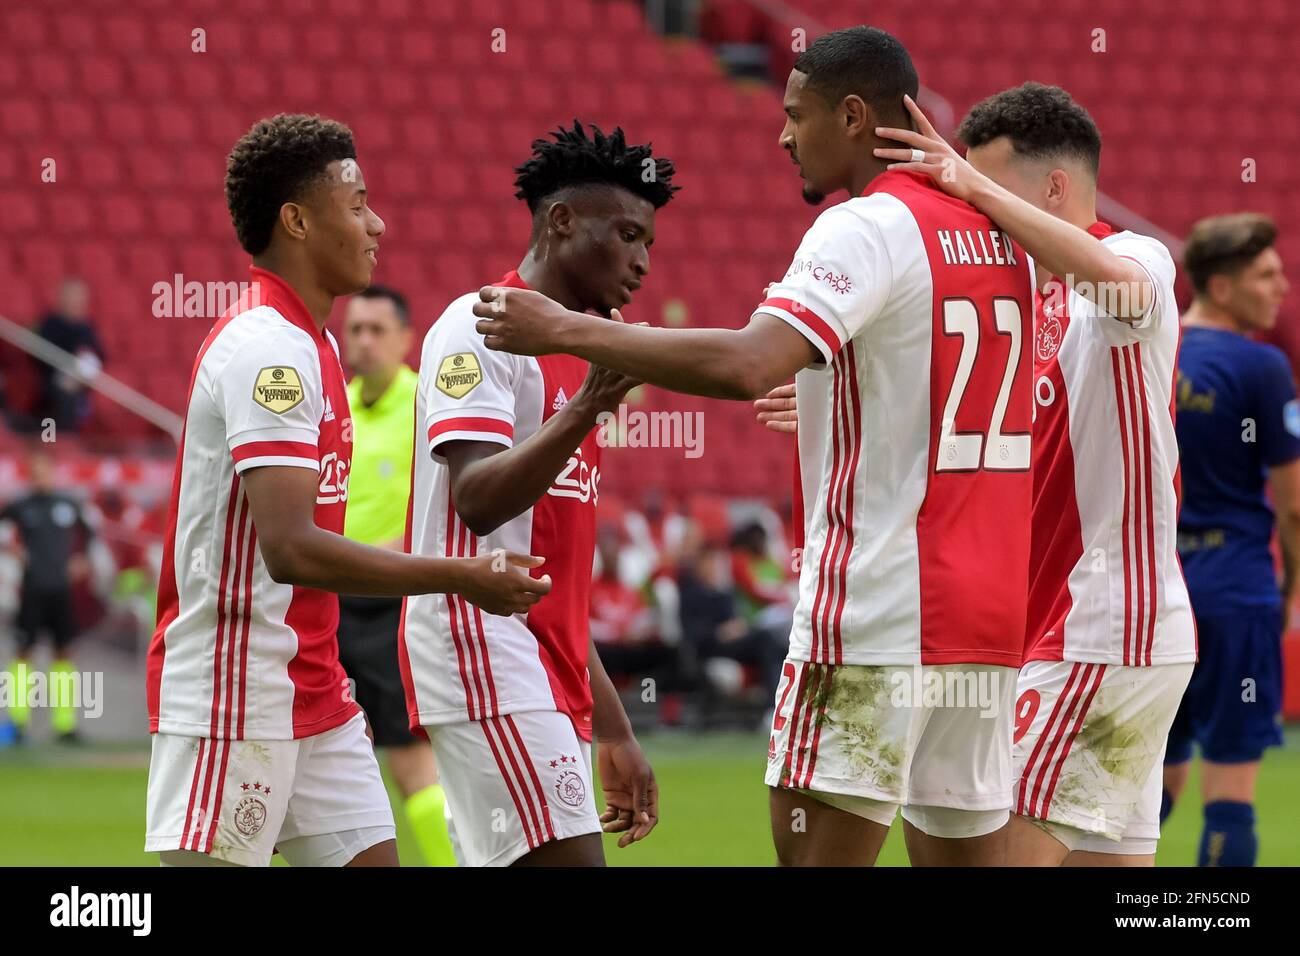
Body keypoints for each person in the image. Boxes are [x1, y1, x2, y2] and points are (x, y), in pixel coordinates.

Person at [471, 27, 1037, 867]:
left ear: (852, 116)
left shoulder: (865, 226)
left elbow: (746, 362)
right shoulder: (999, 236)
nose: (781, 136)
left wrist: (566, 329)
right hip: (986, 624)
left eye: (795, 115)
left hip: (877, 611)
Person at [144, 113, 550, 869]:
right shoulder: (269, 350)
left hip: (316, 692)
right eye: (357, 203)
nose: (378, 222)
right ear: (297, 220)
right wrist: (462, 576)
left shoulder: (317, 344)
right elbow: (291, 548)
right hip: (236, 694)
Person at [868, 82, 1196, 865]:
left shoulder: (1128, 258)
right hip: (1079, 633)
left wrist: (966, 182)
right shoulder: (1024, 303)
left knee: (984, 846)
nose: (977, 208)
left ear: (1055, 187)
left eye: (992, 185)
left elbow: (1120, 285)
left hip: (1101, 626)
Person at [399, 121, 670, 866]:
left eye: (649, 243)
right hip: (479, 644)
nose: (642, 262)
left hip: (540, 664)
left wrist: (612, 726)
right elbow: (478, 500)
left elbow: (554, 579)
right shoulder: (481, 324)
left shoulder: (579, 351)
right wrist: (584, 410)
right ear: (561, 221)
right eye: (626, 234)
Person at [1165, 213, 1294, 866]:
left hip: (1155, 590)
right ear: (1221, 286)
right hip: (1234, 588)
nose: (1283, 289)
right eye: (1267, 275)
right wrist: (1292, 589)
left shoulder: (1151, 347)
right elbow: (1294, 505)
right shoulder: (1262, 366)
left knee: (1146, 780)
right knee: (1231, 788)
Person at [339, 284, 455, 867]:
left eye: (375, 329)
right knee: (316, 756)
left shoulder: (425, 405)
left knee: (410, 761)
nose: (361, 341)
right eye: (353, 329)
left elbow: (446, 506)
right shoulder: (332, 407)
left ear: (407, 339)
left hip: (392, 604)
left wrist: (381, 555)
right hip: (326, 599)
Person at [1, 445, 95, 743]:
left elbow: (90, 534)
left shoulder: (68, 504)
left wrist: (82, 557)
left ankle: (64, 725)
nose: (40, 474)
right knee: (23, 652)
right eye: (35, 469)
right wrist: (11, 550)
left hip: (61, 591)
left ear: (53, 471)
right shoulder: (21, 506)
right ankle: (17, 723)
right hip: (32, 589)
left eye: (45, 468)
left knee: (63, 652)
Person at [35, 277, 105, 431]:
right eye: (71, 297)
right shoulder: (50, 324)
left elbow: (100, 355)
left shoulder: (87, 327)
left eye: (79, 298)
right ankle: (63, 441)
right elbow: (42, 357)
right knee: (65, 393)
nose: (76, 302)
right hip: (54, 383)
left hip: (83, 384)